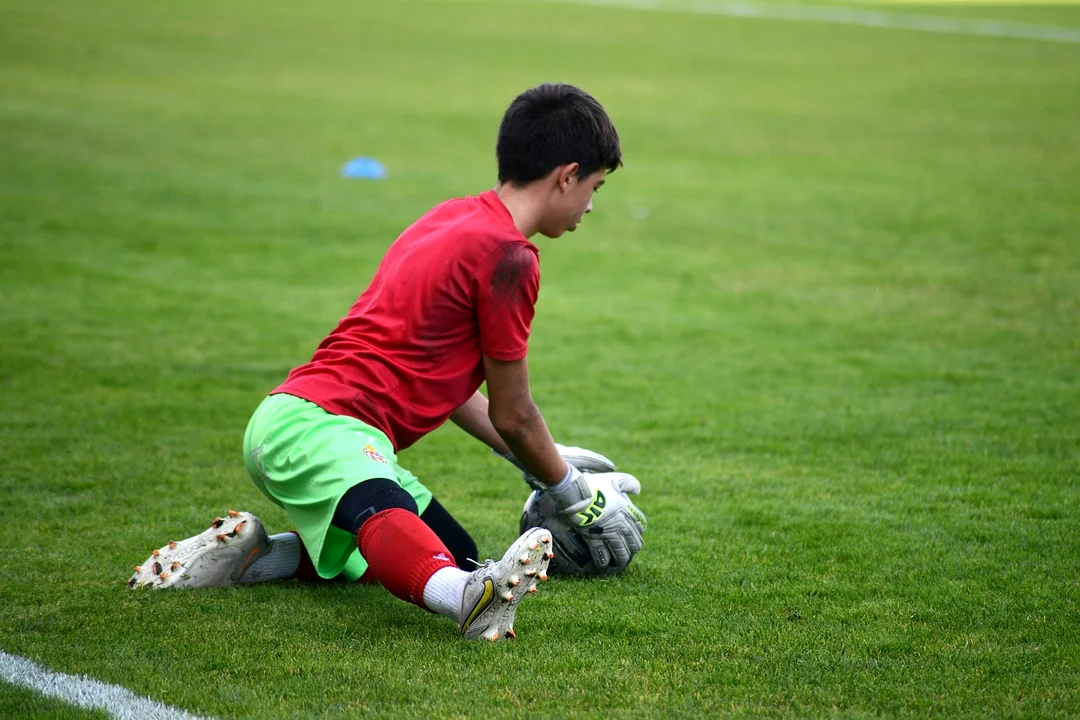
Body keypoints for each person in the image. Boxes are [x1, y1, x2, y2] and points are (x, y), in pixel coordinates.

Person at [128, 83, 647, 642]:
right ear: (566, 175)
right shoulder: (511, 259)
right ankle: (469, 602)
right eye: (594, 186)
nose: (591, 204)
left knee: (454, 552)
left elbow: (445, 384)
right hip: (321, 426)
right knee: (419, 544)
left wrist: (540, 458)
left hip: (303, 421)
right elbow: (514, 412)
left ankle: (257, 556)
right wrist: (573, 491)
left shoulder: (453, 217)